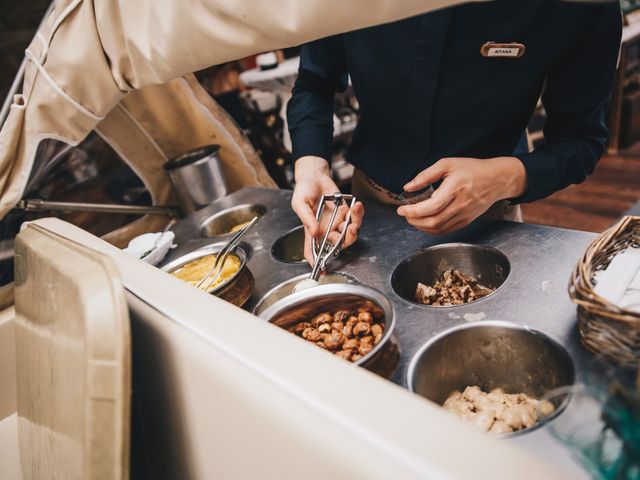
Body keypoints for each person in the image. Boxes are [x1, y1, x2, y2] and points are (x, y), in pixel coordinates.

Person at [287, 0, 622, 264]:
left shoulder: (581, 6)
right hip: (367, 209)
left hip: (490, 218)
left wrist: (504, 177)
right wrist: (311, 168)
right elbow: (314, 83)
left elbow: (582, 140)